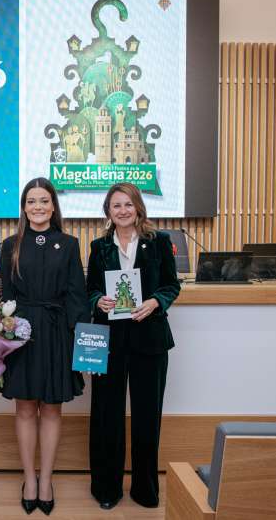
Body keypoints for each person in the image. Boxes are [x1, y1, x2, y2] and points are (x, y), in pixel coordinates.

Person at [86, 182, 180, 510]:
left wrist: (155, 301)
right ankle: (106, 489)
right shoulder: (99, 247)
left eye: (128, 204)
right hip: (109, 340)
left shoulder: (159, 242)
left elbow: (171, 285)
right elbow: (90, 289)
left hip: (150, 339)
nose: (123, 210)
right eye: (116, 206)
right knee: (106, 416)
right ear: (108, 212)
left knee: (147, 417)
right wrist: (99, 301)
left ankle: (145, 489)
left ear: (138, 207)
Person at [0, 177, 88, 516]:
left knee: (51, 408)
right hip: (21, 333)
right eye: (31, 201)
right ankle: (29, 479)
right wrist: (2, 337)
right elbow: (5, 296)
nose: (37, 206)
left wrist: (84, 345)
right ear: (24, 208)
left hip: (56, 332)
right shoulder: (10, 245)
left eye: (44, 200)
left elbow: (77, 297)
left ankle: (46, 480)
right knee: (24, 408)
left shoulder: (69, 244)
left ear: (53, 206)